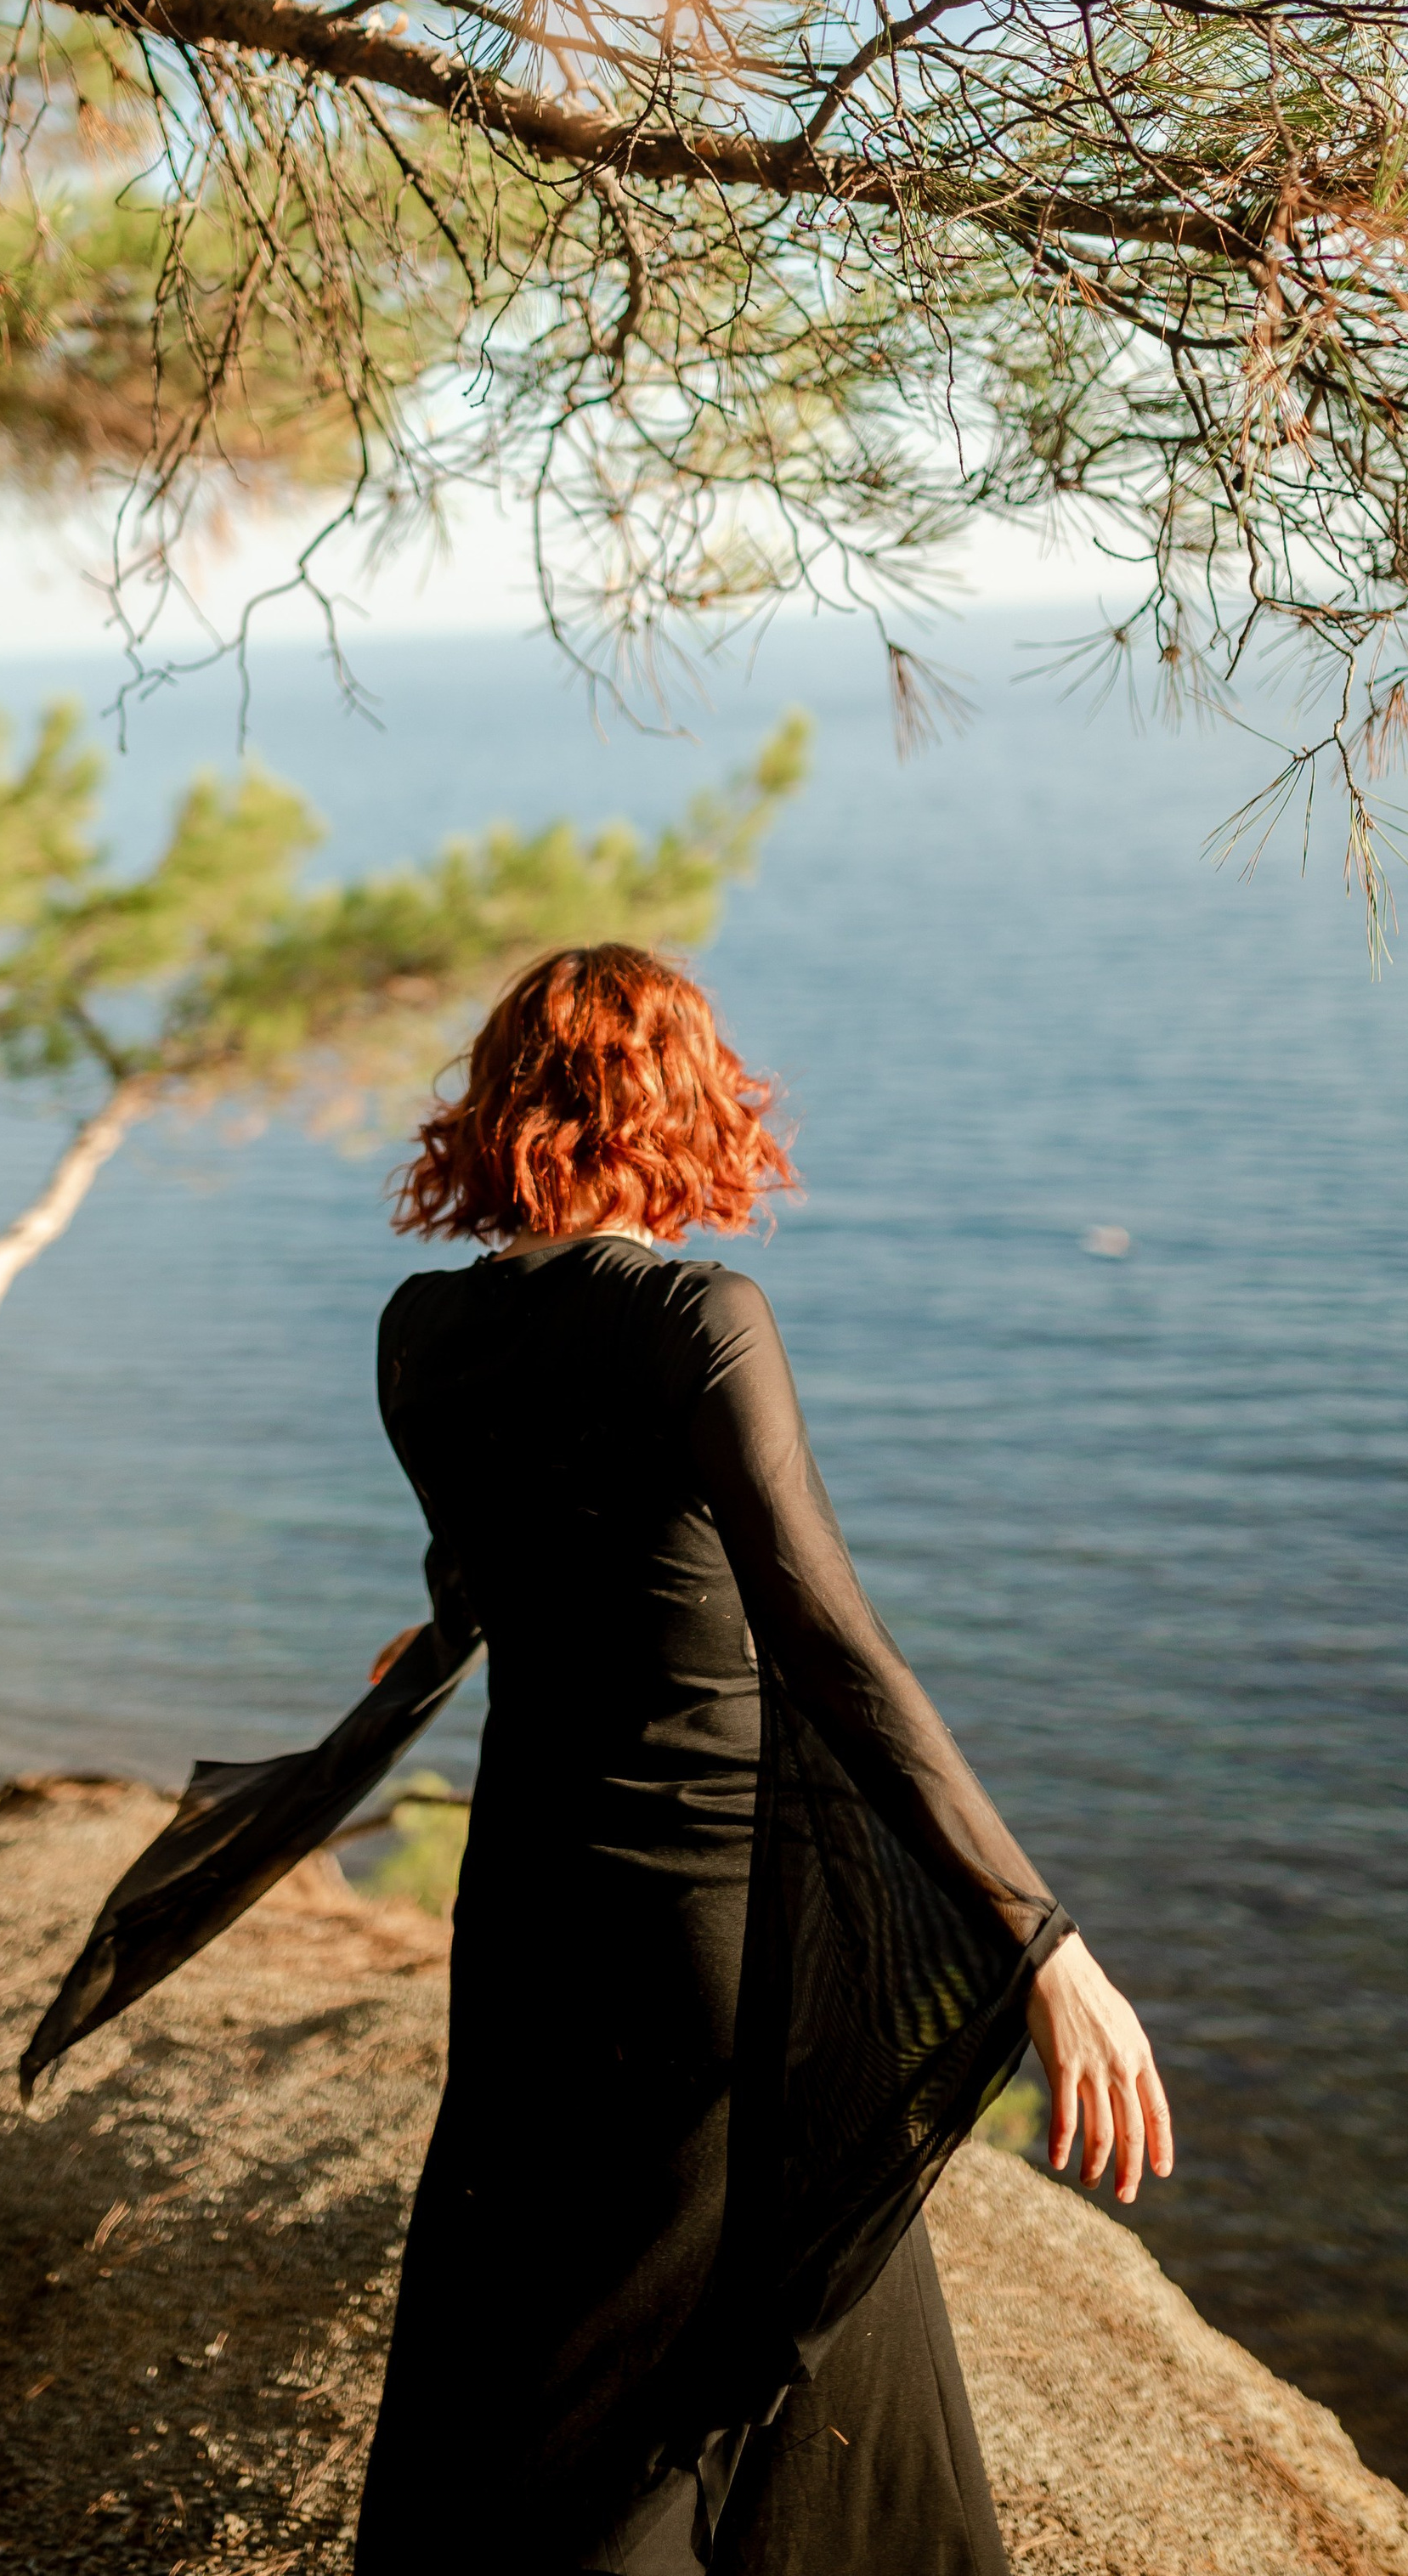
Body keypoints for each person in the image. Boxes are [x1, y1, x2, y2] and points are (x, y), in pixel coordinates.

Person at [353, 941, 1172, 2576]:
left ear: (500, 1106)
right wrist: (1039, 1942)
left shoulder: (422, 1331)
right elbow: (828, 1637)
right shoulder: (695, 1318)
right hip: (705, 1931)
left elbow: (497, 1555)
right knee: (651, 2391)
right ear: (683, 1106)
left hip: (525, 1907)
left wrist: (434, 1636)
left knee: (538, 2318)